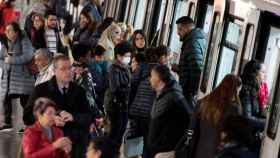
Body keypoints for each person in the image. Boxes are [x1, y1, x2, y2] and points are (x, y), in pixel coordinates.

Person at [24, 55, 92, 158]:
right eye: (63, 69)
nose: (68, 72)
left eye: (70, 68)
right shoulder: (40, 90)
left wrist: (73, 116)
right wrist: (51, 119)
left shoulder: (79, 91)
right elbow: (27, 117)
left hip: (76, 146)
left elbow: (88, 117)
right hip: (49, 145)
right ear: (54, 71)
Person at [191, 74, 242, 158]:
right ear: (235, 91)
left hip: (199, 152)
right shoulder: (234, 109)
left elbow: (192, 129)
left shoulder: (203, 103)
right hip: (218, 154)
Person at [148, 65, 192, 158]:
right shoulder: (161, 93)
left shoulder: (173, 96)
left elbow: (189, 119)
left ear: (158, 78)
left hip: (165, 149)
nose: (150, 79)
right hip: (157, 148)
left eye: (152, 76)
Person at [0, 22, 34, 131]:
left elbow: (28, 56)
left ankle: (29, 125)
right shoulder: (6, 42)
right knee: (6, 98)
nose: (7, 32)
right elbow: (1, 58)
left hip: (23, 77)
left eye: (9, 30)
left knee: (25, 102)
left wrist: (12, 60)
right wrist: (5, 65)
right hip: (9, 78)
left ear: (16, 32)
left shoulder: (24, 40)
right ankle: (7, 122)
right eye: (6, 30)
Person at [104, 41, 133, 148]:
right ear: (118, 56)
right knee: (115, 132)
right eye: (126, 55)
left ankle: (115, 151)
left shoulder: (125, 67)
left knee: (121, 130)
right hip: (115, 104)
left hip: (123, 104)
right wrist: (129, 89)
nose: (128, 58)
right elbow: (114, 88)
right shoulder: (113, 68)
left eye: (129, 55)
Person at [175, 16, 206, 107]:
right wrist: (179, 68)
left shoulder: (192, 43)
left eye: (180, 29)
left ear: (187, 28)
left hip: (189, 93)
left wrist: (192, 93)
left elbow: (196, 69)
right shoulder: (194, 40)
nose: (178, 33)